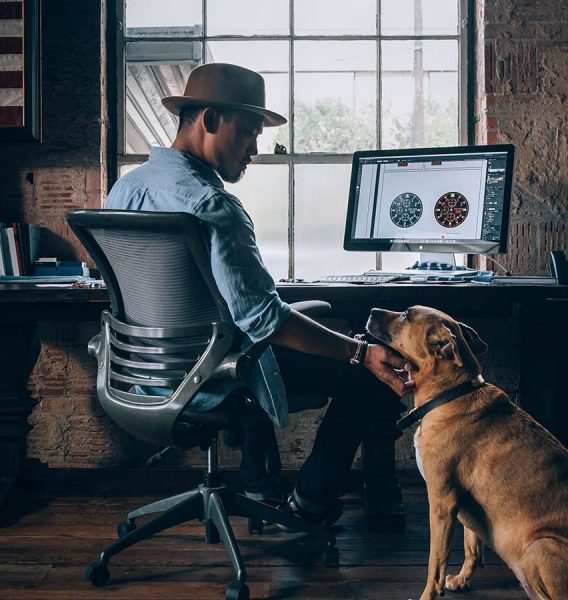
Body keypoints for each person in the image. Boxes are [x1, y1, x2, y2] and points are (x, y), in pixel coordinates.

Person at [105, 63, 411, 526]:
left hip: (144, 373)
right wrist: (361, 352)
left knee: (326, 344)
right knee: (370, 367)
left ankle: (260, 486)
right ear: (209, 121)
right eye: (247, 132)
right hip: (211, 376)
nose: (254, 150)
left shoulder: (123, 191)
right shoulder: (214, 206)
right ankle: (310, 503)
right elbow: (264, 319)